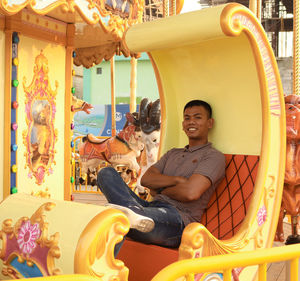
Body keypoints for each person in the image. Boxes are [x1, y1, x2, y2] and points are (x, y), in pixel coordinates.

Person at [97, 100, 225, 248]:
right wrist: (179, 180)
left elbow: (190, 193)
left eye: (197, 117)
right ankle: (133, 212)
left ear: (210, 123)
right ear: (183, 124)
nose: (191, 122)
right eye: (187, 118)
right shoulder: (173, 153)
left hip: (177, 219)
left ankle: (131, 213)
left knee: (117, 218)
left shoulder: (213, 156)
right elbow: (146, 180)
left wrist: (159, 189)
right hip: (150, 207)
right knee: (106, 173)